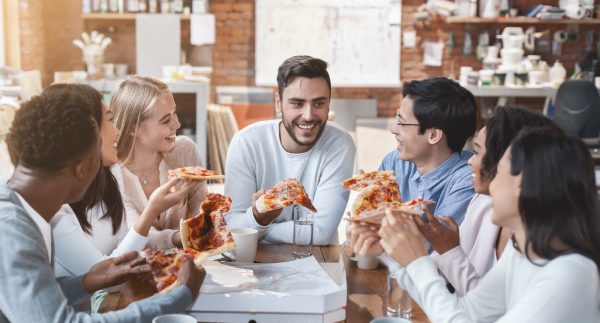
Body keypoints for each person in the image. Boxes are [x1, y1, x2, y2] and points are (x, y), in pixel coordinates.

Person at [0, 87, 205, 323]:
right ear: (83, 168)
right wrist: (177, 297)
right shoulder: (11, 231)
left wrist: (84, 282)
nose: (116, 133)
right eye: (108, 124)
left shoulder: (23, 210)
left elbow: (25, 301)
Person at [378, 126, 600, 323]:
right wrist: (390, 253)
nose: (491, 184)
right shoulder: (524, 252)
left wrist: (418, 262)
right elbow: (466, 312)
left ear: (523, 184)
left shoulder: (570, 274)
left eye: (500, 174)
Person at [351, 106, 550, 295]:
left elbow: (479, 308)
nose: (470, 160)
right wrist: (384, 250)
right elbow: (436, 275)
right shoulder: (482, 202)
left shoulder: (539, 252)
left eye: (478, 152)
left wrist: (448, 251)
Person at [50, 84, 197, 281]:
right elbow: (102, 278)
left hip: (119, 295)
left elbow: (127, 243)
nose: (118, 130)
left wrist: (179, 238)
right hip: (95, 306)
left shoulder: (109, 176)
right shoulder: (56, 210)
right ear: (84, 133)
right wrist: (151, 211)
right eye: (110, 121)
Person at [224, 55, 355, 244]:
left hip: (318, 263)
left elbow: (321, 232)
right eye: (297, 103)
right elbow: (231, 228)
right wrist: (259, 216)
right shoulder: (246, 143)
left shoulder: (339, 144)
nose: (308, 115)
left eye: (319, 103)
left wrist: (258, 226)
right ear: (278, 103)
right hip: (252, 264)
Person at [111, 76, 206, 248]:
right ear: (134, 127)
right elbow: (138, 236)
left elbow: (204, 212)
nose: (177, 124)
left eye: (175, 113)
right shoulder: (113, 174)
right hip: (139, 271)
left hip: (190, 263)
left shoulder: (184, 150)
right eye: (165, 120)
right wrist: (183, 237)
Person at [380, 77, 476, 224]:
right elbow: (363, 219)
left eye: (401, 122)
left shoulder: (467, 182)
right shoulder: (395, 162)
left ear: (433, 135)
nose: (394, 130)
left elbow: (436, 243)